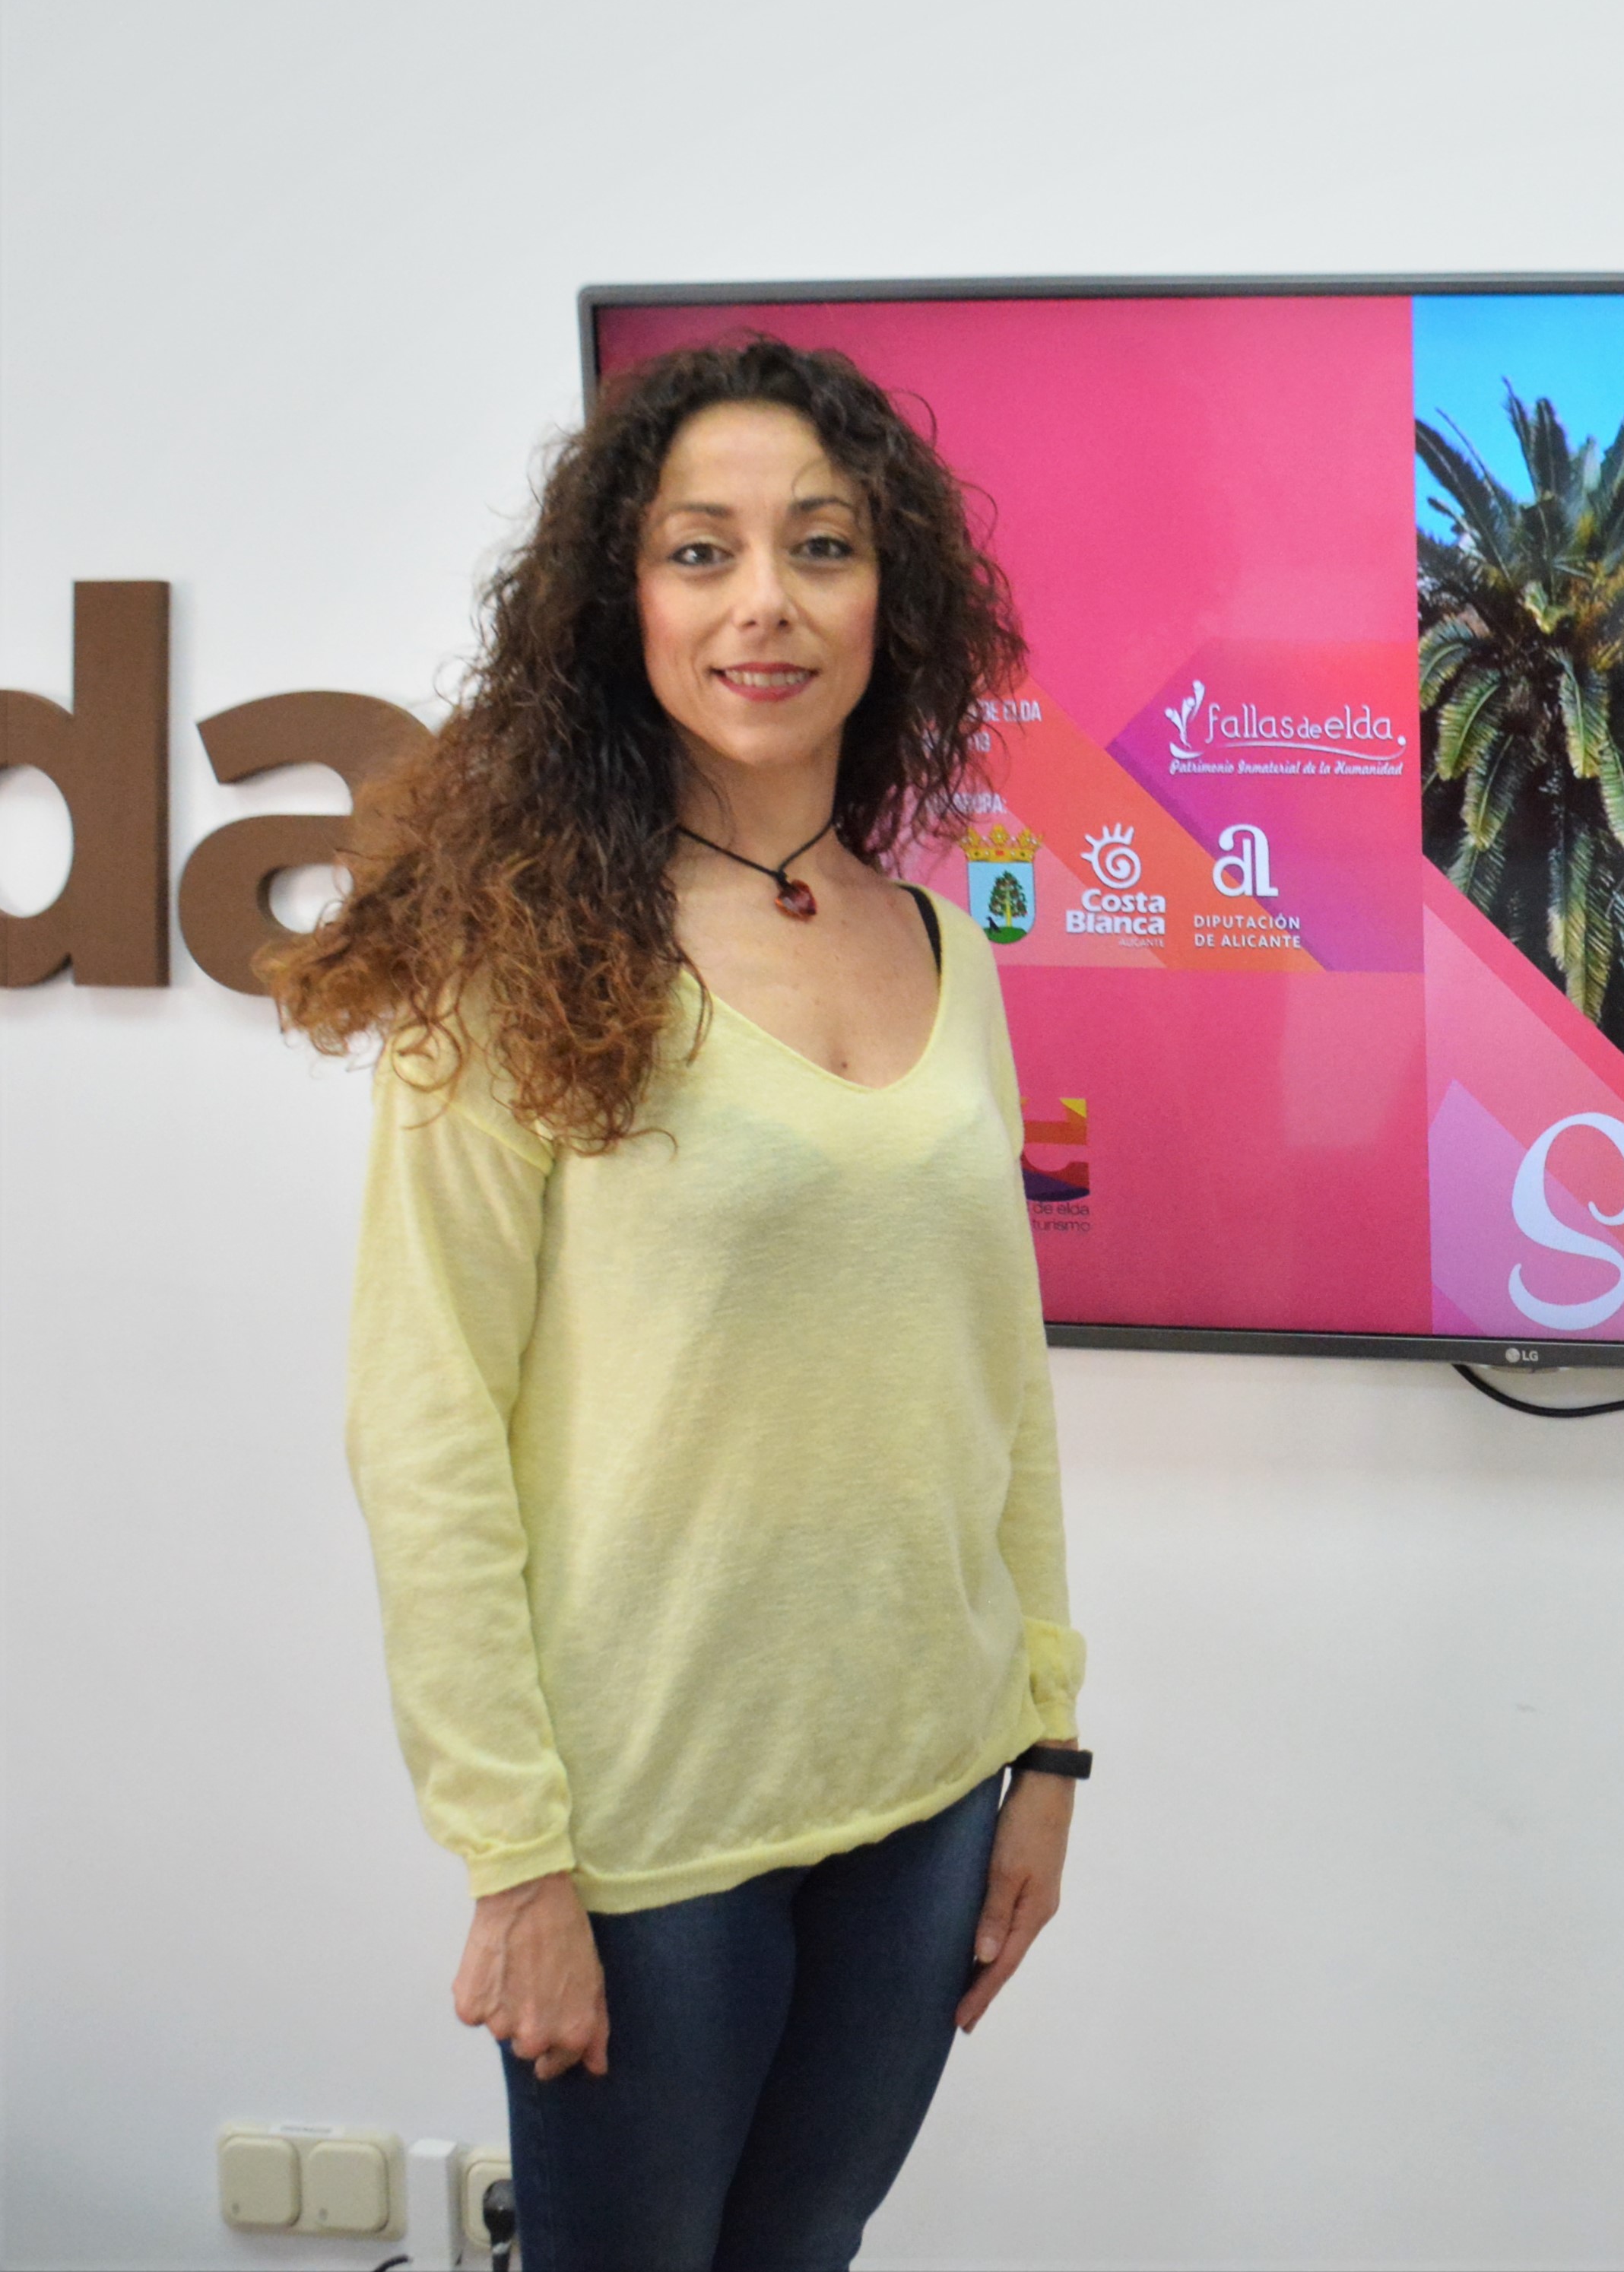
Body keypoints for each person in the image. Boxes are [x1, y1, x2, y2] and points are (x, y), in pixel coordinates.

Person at [274, 337, 1090, 2271]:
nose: (764, 604)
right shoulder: (521, 956)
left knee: (801, 2249)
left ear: (892, 597)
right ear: (616, 599)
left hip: (925, 1777)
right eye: (700, 550)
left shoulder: (942, 947)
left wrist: (1042, 1743)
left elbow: (1003, 1382)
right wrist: (515, 1856)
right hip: (644, 1825)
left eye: (819, 546)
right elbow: (425, 1418)